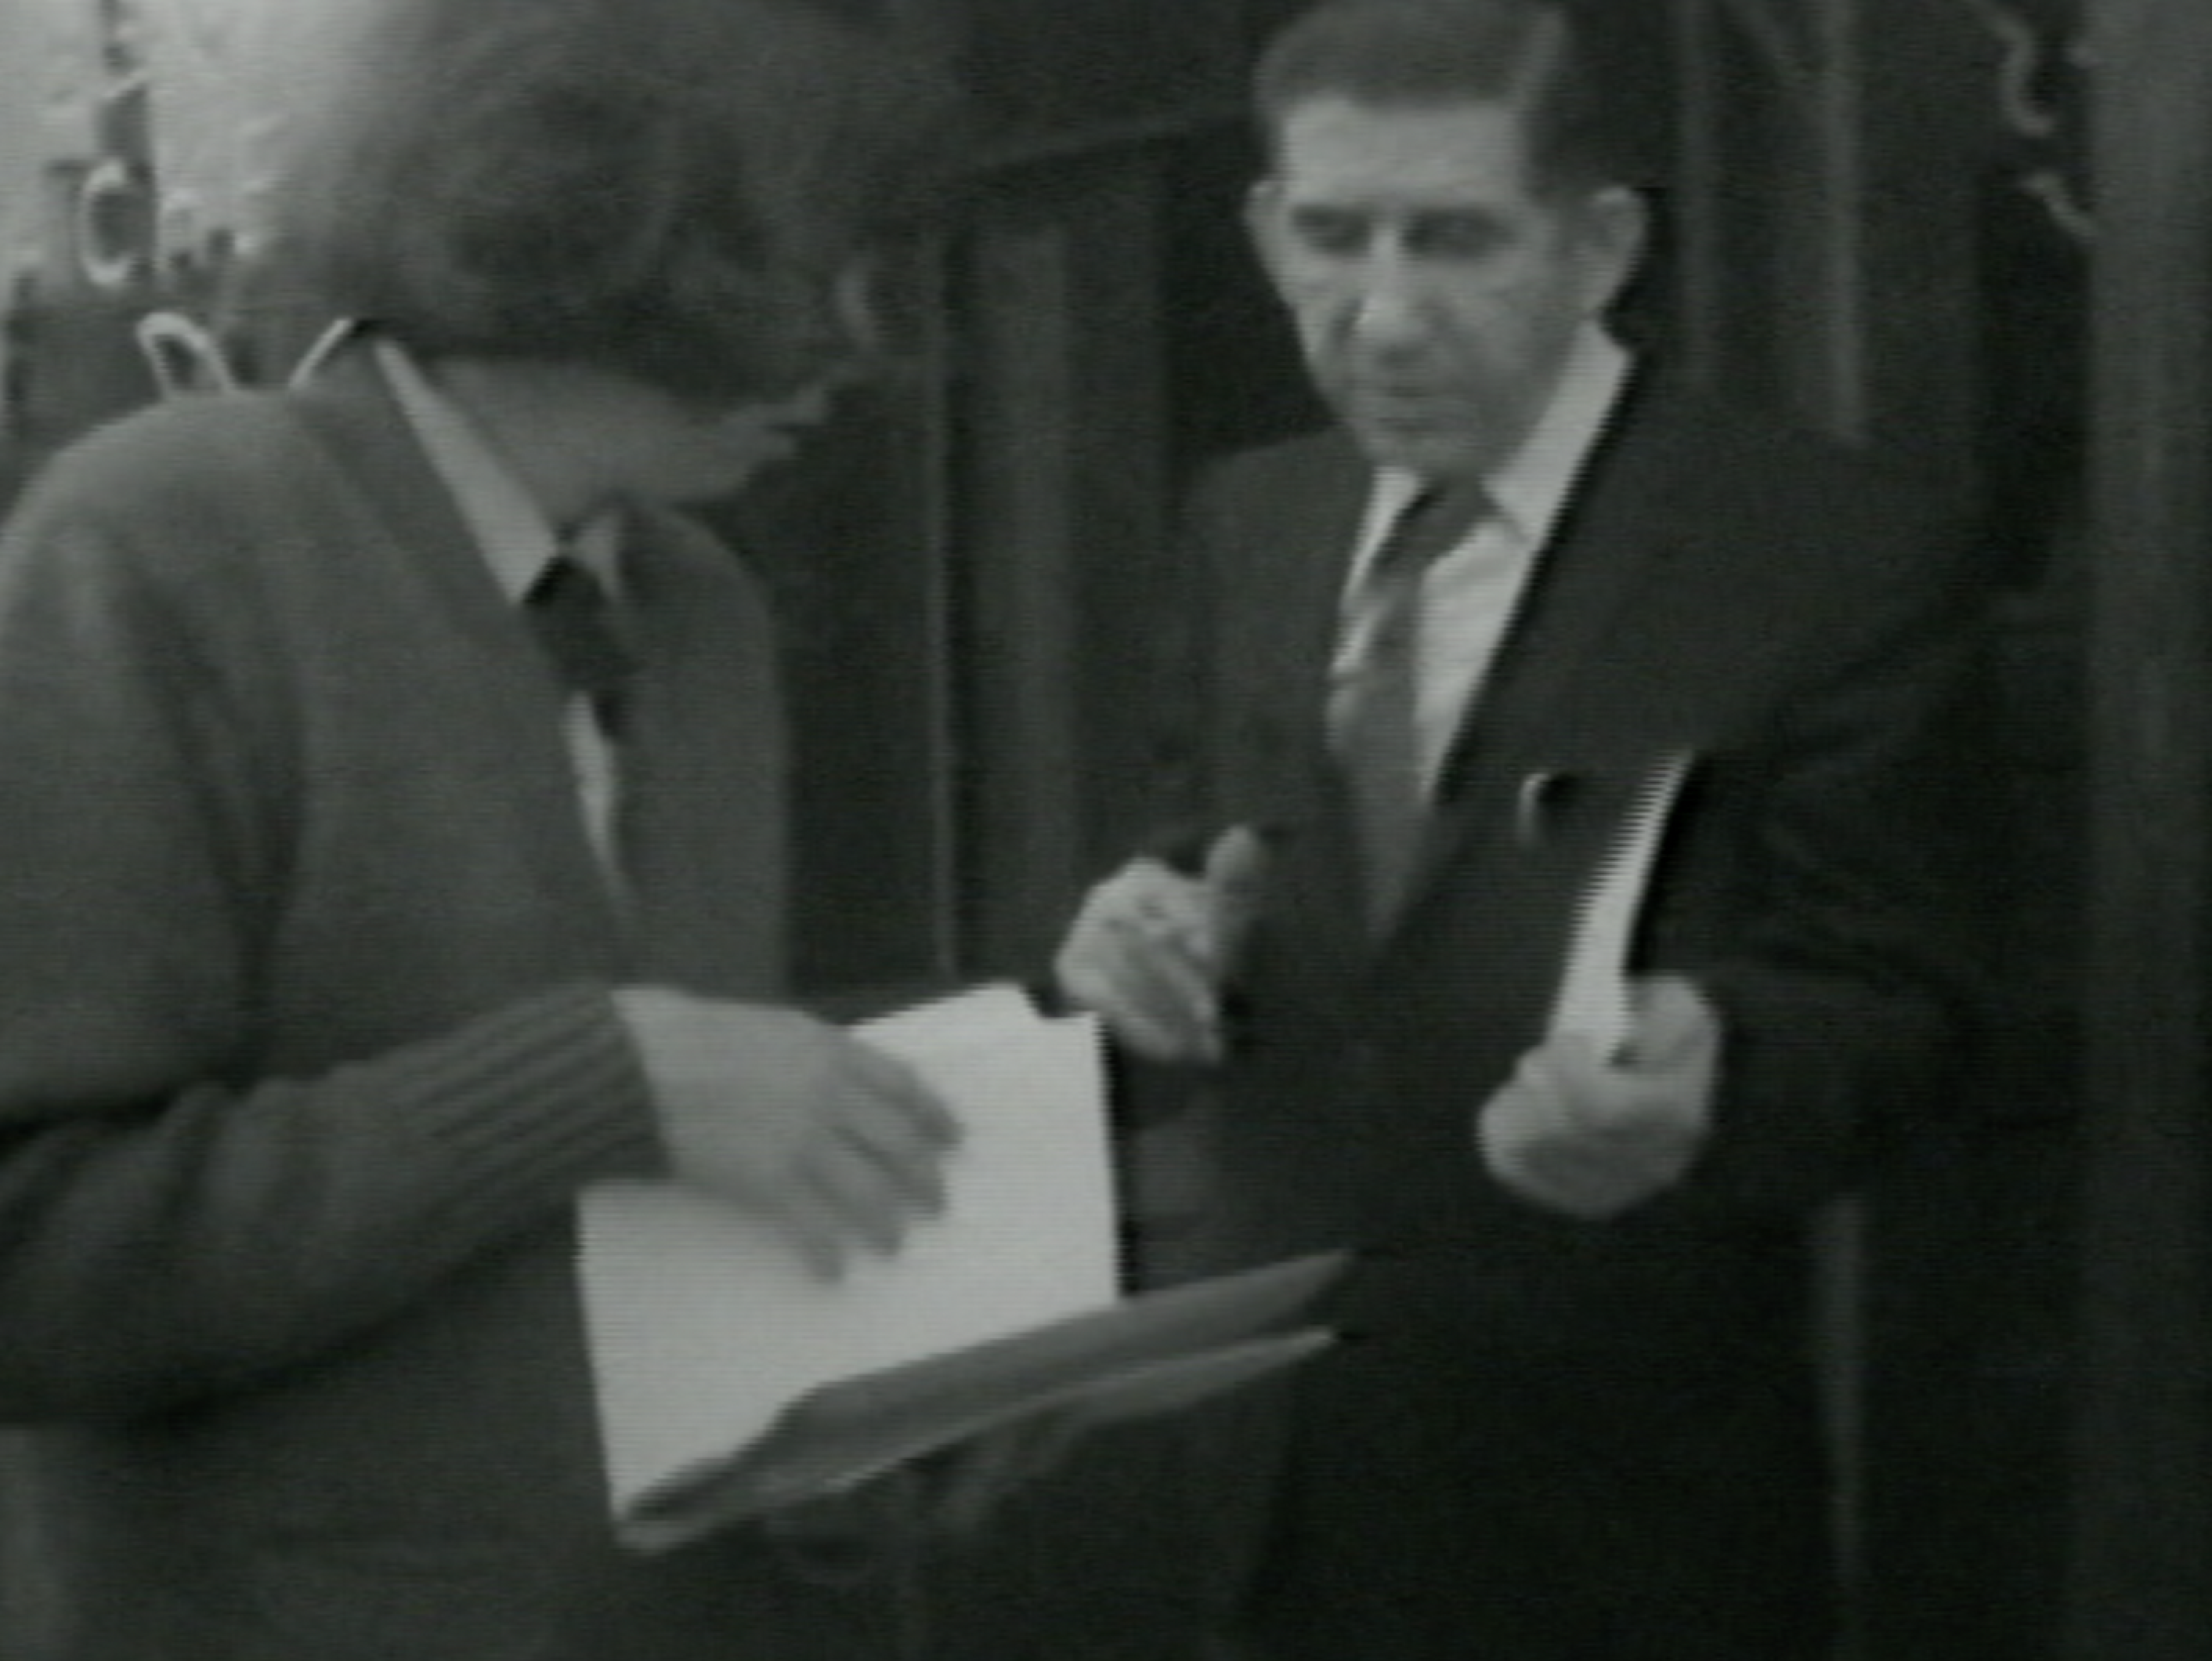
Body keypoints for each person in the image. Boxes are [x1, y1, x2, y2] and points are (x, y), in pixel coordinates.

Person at [0, 2, 1000, 1657]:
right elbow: (35, 1268)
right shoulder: (160, 545)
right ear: (618, 223)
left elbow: (615, 1271)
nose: (870, 342)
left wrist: (852, 1439)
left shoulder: (698, 614)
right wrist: (591, 1086)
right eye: (825, 258)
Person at [1054, 2, 1993, 1656]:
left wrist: (1718, 1053)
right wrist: (1129, 951)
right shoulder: (1247, 521)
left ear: (1598, 244)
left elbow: (1907, 1009)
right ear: (1268, 231)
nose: (1385, 314)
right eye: (1333, 237)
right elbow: (1212, 864)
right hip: (1268, 1500)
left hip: (1619, 1519)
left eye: (1457, 240)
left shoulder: (1821, 551)